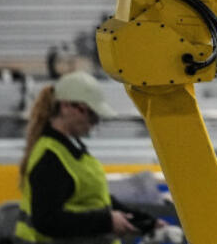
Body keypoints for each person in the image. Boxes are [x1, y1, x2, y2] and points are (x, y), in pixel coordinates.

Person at [14, 71, 145, 244]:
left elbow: (96, 199)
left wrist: (145, 221)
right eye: (91, 113)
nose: (95, 122)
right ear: (66, 107)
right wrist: (106, 221)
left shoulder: (70, 149)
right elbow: (47, 221)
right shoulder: (51, 158)